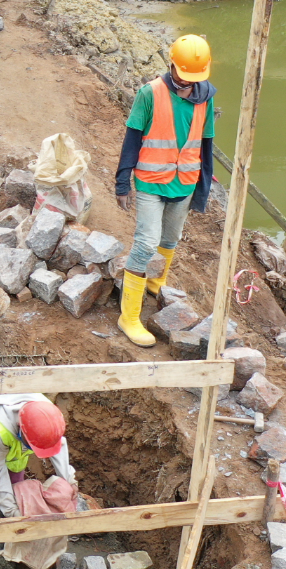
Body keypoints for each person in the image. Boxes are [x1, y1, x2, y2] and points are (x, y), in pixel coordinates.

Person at [114, 34, 218, 347]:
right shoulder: (150, 93)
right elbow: (132, 139)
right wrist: (122, 182)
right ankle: (129, 316)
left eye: (192, 79)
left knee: (170, 239)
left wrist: (203, 188)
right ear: (171, 65)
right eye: (182, 76)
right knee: (146, 243)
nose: (186, 83)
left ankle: (155, 285)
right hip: (150, 181)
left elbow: (206, 144)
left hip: (184, 182)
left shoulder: (206, 98)